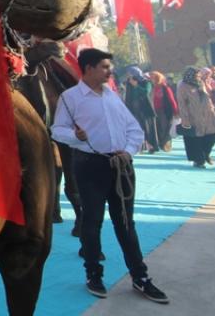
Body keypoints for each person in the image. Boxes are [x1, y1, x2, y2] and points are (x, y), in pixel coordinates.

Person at [51, 48, 169, 304]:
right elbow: (57, 129)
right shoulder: (70, 98)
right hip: (90, 166)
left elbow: (134, 129)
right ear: (89, 68)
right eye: (104, 67)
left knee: (126, 223)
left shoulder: (113, 97)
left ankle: (141, 276)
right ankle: (94, 274)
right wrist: (75, 137)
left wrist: (127, 152)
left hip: (121, 167)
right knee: (92, 223)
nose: (109, 71)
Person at [176, 67, 215, 168]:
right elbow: (182, 103)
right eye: (196, 75)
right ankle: (199, 160)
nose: (198, 76)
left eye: (199, 75)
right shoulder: (183, 86)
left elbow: (207, 97)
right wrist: (185, 119)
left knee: (213, 136)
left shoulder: (200, 83)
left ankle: (206, 154)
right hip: (193, 116)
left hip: (208, 115)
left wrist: (213, 111)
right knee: (196, 139)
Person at [122, 68, 157, 153]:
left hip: (145, 109)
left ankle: (151, 146)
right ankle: (140, 146)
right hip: (134, 109)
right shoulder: (129, 83)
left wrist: (136, 86)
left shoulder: (146, 82)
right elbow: (127, 97)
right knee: (137, 128)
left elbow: (146, 92)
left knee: (148, 128)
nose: (129, 76)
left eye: (130, 74)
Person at [148, 71, 178, 151]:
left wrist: (175, 112)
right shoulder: (152, 87)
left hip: (164, 111)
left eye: (153, 77)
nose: (151, 79)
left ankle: (165, 144)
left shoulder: (165, 88)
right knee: (156, 128)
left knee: (164, 128)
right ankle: (156, 145)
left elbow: (172, 100)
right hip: (153, 111)